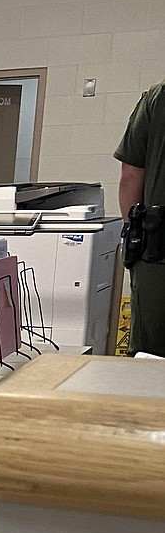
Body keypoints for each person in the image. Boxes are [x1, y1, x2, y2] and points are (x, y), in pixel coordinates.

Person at [115, 79, 165, 356]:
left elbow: (131, 176)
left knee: (152, 364)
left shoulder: (158, 97)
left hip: (157, 251)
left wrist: (133, 235)